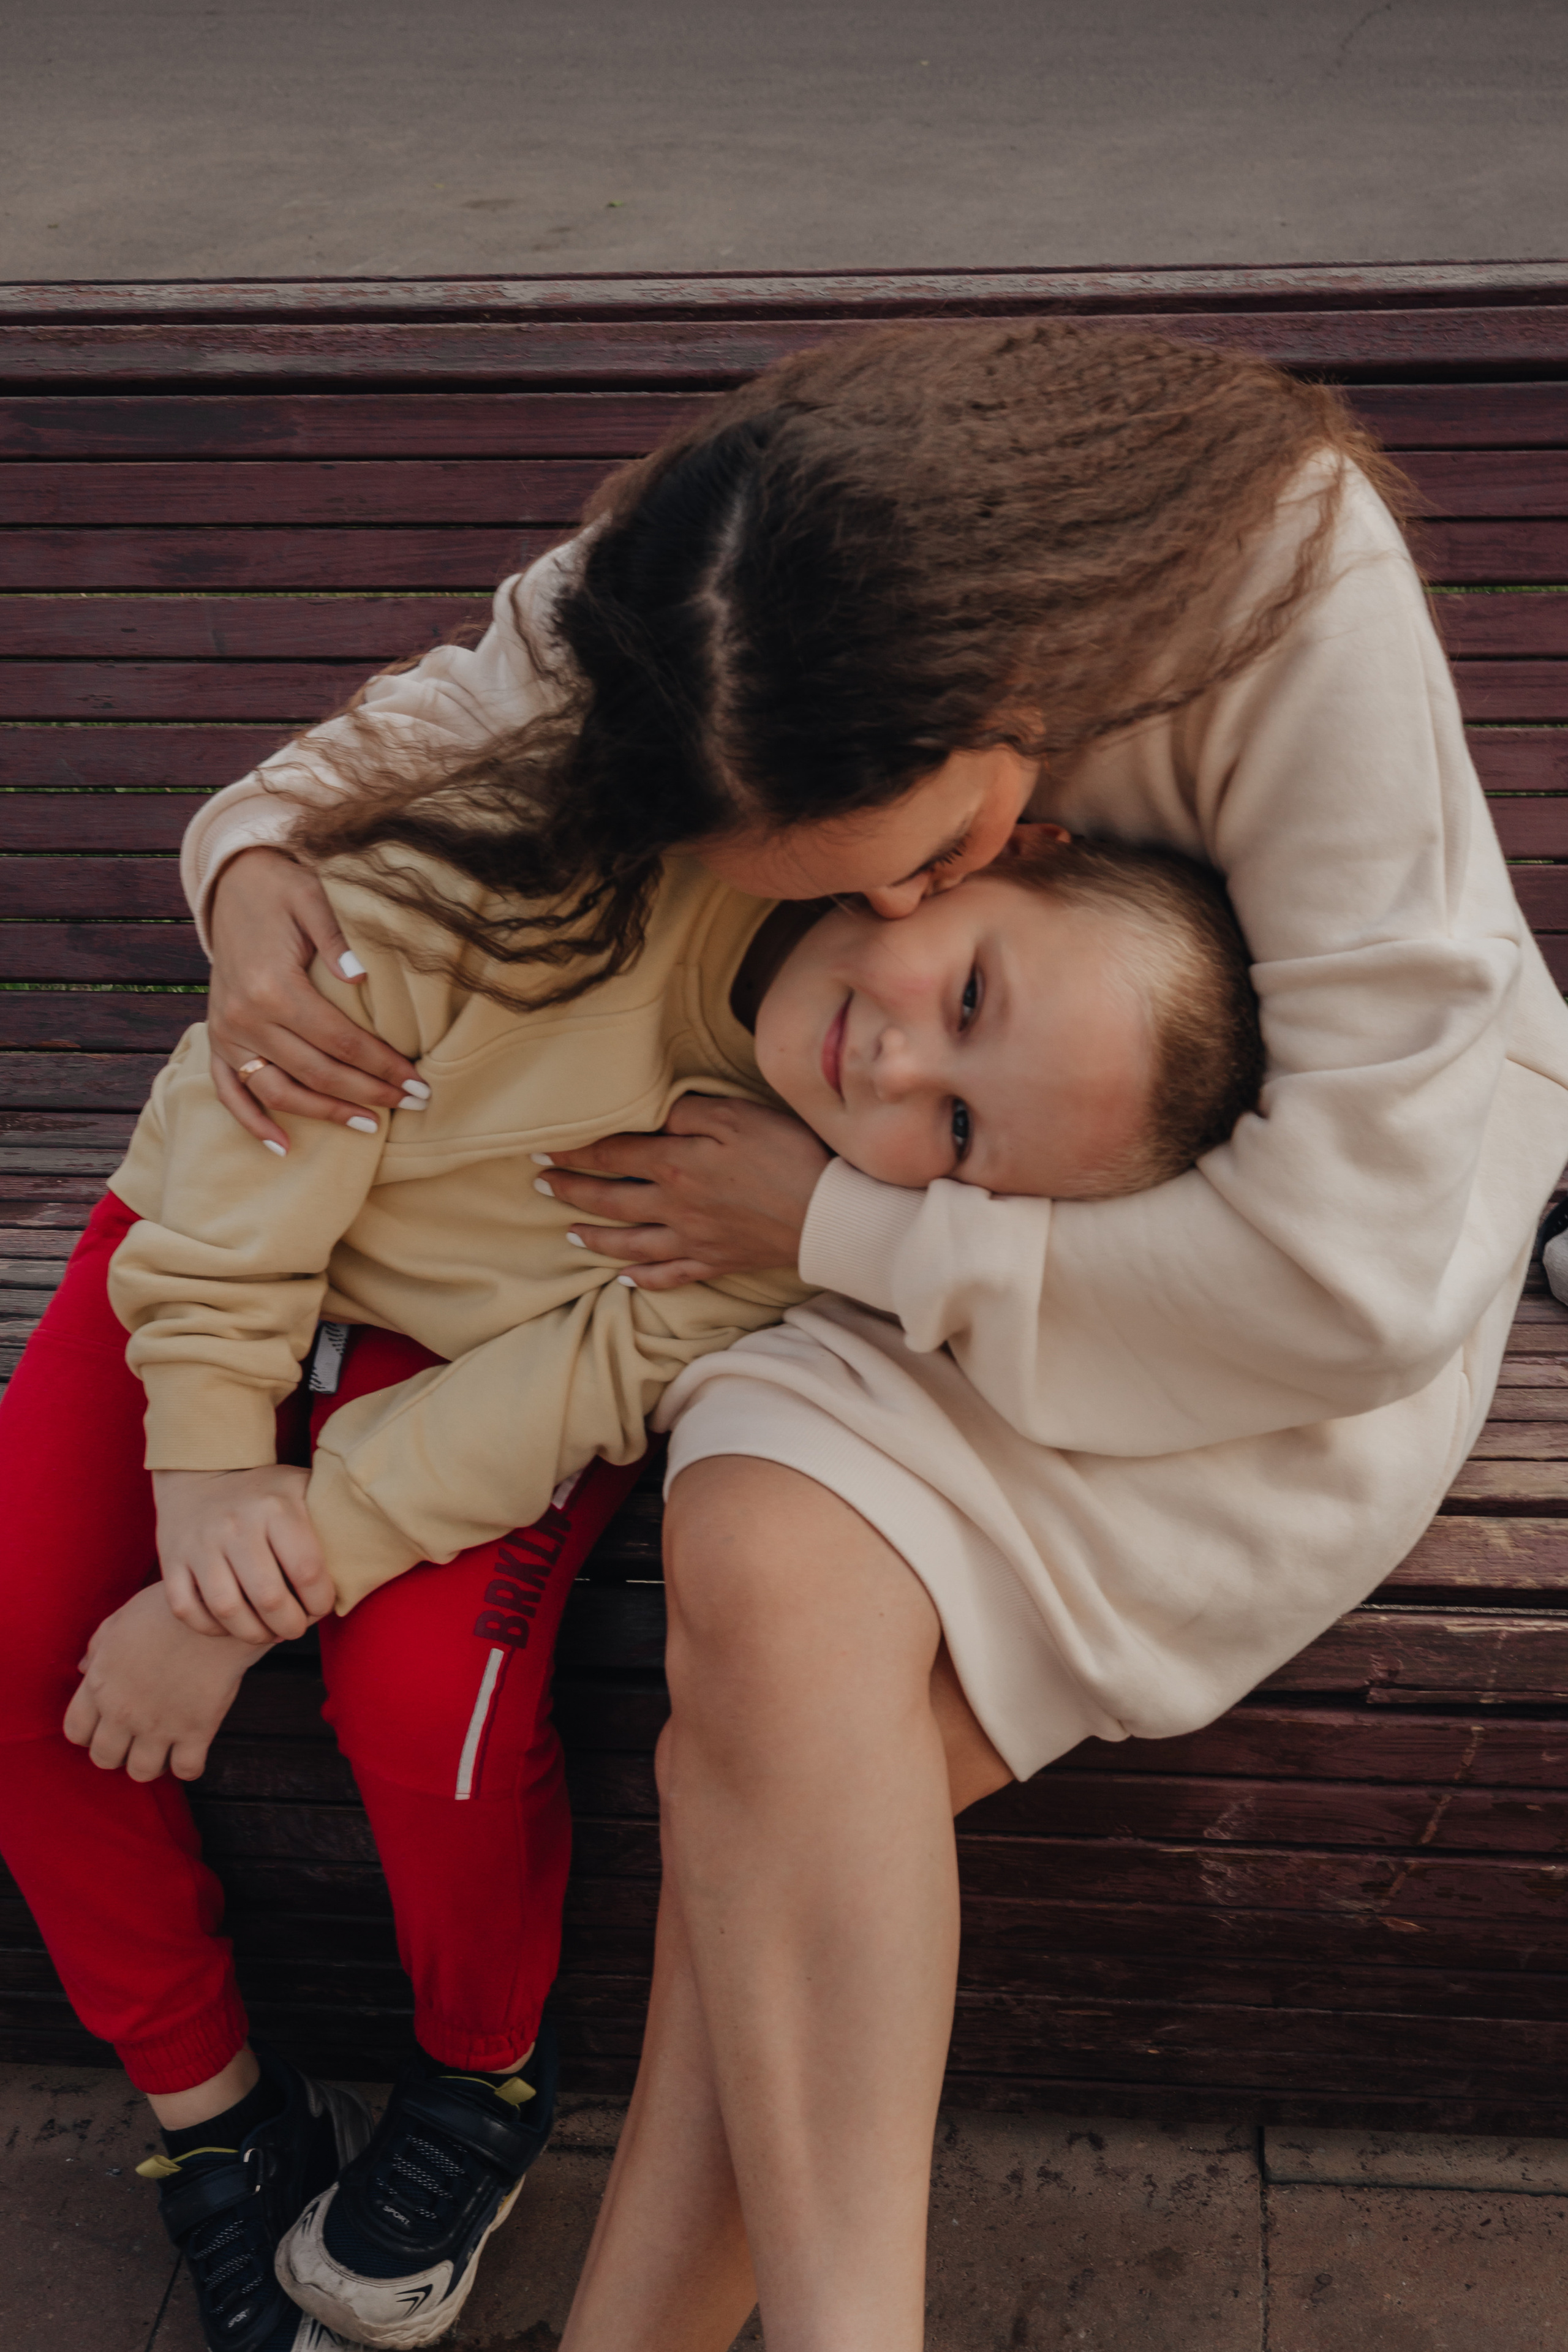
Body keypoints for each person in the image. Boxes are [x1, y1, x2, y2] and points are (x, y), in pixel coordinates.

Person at [162, 319, 1568, 2351]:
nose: (898, 906)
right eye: (836, 894)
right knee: (764, 1581)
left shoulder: (1281, 581)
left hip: (1282, 1272)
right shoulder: (724, 585)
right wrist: (250, 855)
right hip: (883, 1213)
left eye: (921, 861)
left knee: (782, 1803)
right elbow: (468, 708)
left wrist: (836, 1215)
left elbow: (1352, 1283)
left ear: (1010, 696)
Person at [0, 811, 1258, 2352]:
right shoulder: (566, 872)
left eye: (955, 1132)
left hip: (477, 1361)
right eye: (971, 996)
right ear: (980, 858)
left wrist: (267, 1581)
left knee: (428, 1710)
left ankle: (481, 2075)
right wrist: (205, 1468)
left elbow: (588, 1372)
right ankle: (220, 2120)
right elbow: (265, 1102)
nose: (894, 1069)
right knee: (13, 1650)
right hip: (212, 1251)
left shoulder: (793, 1194)